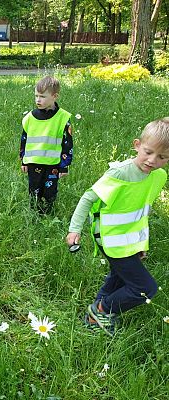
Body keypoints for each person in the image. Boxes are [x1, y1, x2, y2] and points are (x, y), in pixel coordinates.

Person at [66, 118, 169, 336]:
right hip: (111, 240)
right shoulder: (120, 173)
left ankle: (94, 319)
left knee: (119, 277)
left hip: (129, 241)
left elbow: (139, 212)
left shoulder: (158, 177)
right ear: (137, 145)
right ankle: (102, 309)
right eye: (148, 152)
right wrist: (74, 230)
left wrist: (139, 244)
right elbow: (88, 198)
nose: (152, 160)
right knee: (145, 289)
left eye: (162, 157)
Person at [19, 76, 73, 215]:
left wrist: (64, 165)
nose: (38, 100)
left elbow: (67, 143)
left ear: (55, 96)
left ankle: (49, 214)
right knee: (34, 191)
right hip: (33, 162)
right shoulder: (29, 118)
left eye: (42, 96)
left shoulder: (63, 118)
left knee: (50, 193)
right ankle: (34, 215)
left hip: (52, 164)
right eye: (36, 96)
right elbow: (24, 139)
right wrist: (23, 159)